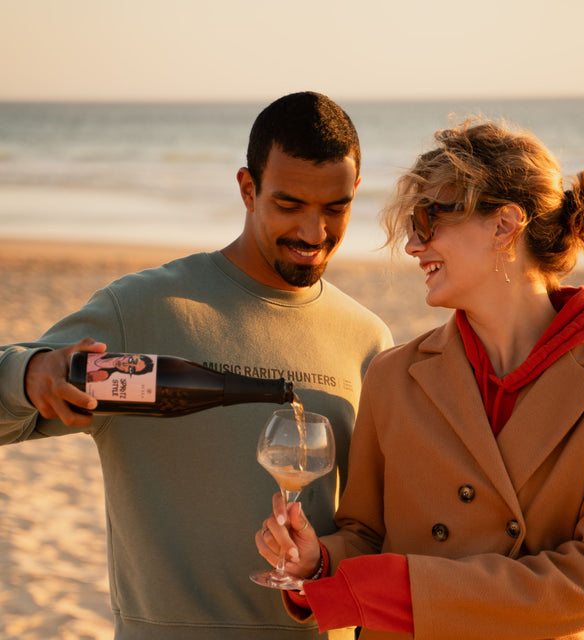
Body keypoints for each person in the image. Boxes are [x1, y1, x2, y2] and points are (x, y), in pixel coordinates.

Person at [0, 91, 393, 640]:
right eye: (289, 205)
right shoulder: (144, 310)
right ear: (248, 189)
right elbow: (10, 416)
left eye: (335, 209)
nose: (313, 233)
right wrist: (29, 372)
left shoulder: (368, 340)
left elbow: (372, 531)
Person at [256, 118, 584, 639]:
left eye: (428, 219)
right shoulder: (394, 375)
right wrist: (318, 562)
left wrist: (403, 587)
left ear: (504, 225)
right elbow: (366, 536)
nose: (414, 245)